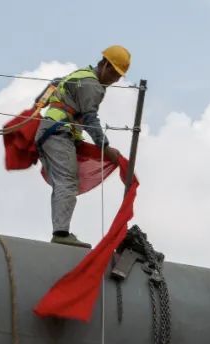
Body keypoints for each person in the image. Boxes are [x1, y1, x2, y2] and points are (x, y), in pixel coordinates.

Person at [36, 45, 130, 246]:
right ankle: (61, 234)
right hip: (57, 133)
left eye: (119, 76)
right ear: (105, 65)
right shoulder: (91, 84)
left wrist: (42, 104)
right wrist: (105, 147)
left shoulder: (81, 75)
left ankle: (60, 231)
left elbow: (52, 86)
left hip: (53, 131)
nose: (116, 79)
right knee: (67, 182)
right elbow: (90, 118)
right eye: (114, 73)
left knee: (64, 182)